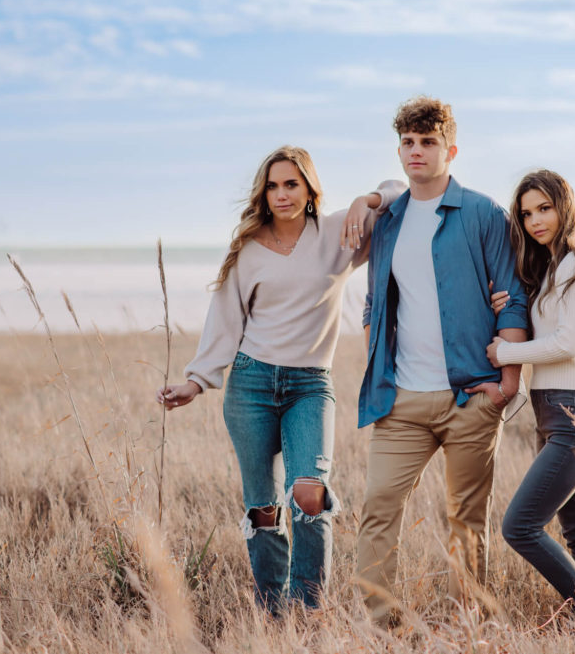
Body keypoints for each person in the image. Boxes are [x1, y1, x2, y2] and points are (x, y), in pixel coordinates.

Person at [157, 145, 403, 612]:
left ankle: (308, 607)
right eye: (272, 185)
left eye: (292, 183)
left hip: (311, 385)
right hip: (250, 385)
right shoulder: (248, 249)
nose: (282, 193)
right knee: (264, 508)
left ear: (309, 188)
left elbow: (400, 194)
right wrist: (196, 380)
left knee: (309, 494)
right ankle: (272, 610)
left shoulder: (336, 233)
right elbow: (225, 320)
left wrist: (365, 201)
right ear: (262, 193)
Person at [355, 96, 529, 626]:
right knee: (378, 510)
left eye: (427, 142)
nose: (416, 151)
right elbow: (372, 304)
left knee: (465, 521)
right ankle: (383, 627)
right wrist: (376, 364)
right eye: (408, 142)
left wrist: (508, 385)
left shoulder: (481, 213)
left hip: (470, 397)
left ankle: (469, 624)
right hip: (401, 400)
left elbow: (513, 295)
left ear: (449, 150)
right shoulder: (387, 221)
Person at [486, 169, 575, 615]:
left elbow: (567, 344)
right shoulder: (549, 269)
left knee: (519, 526)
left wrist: (506, 352)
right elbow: (547, 325)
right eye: (526, 213)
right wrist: (509, 303)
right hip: (553, 416)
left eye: (545, 208)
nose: (536, 220)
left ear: (564, 207)